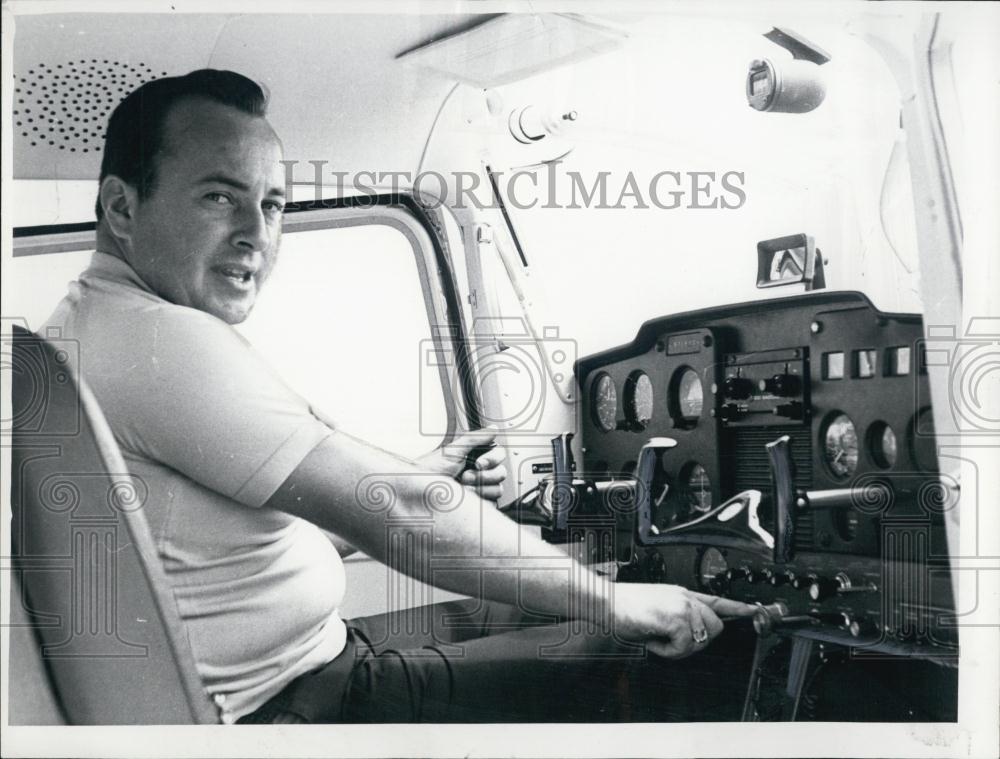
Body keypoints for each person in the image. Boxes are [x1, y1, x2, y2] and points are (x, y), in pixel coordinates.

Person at [41, 68, 756, 724]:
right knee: (644, 650)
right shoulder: (160, 342)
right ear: (122, 208)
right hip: (301, 702)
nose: (256, 234)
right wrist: (613, 600)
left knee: (524, 611)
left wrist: (422, 470)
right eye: (219, 196)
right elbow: (401, 513)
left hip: (306, 663)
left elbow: (239, 528)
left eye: (273, 203)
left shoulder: (90, 325)